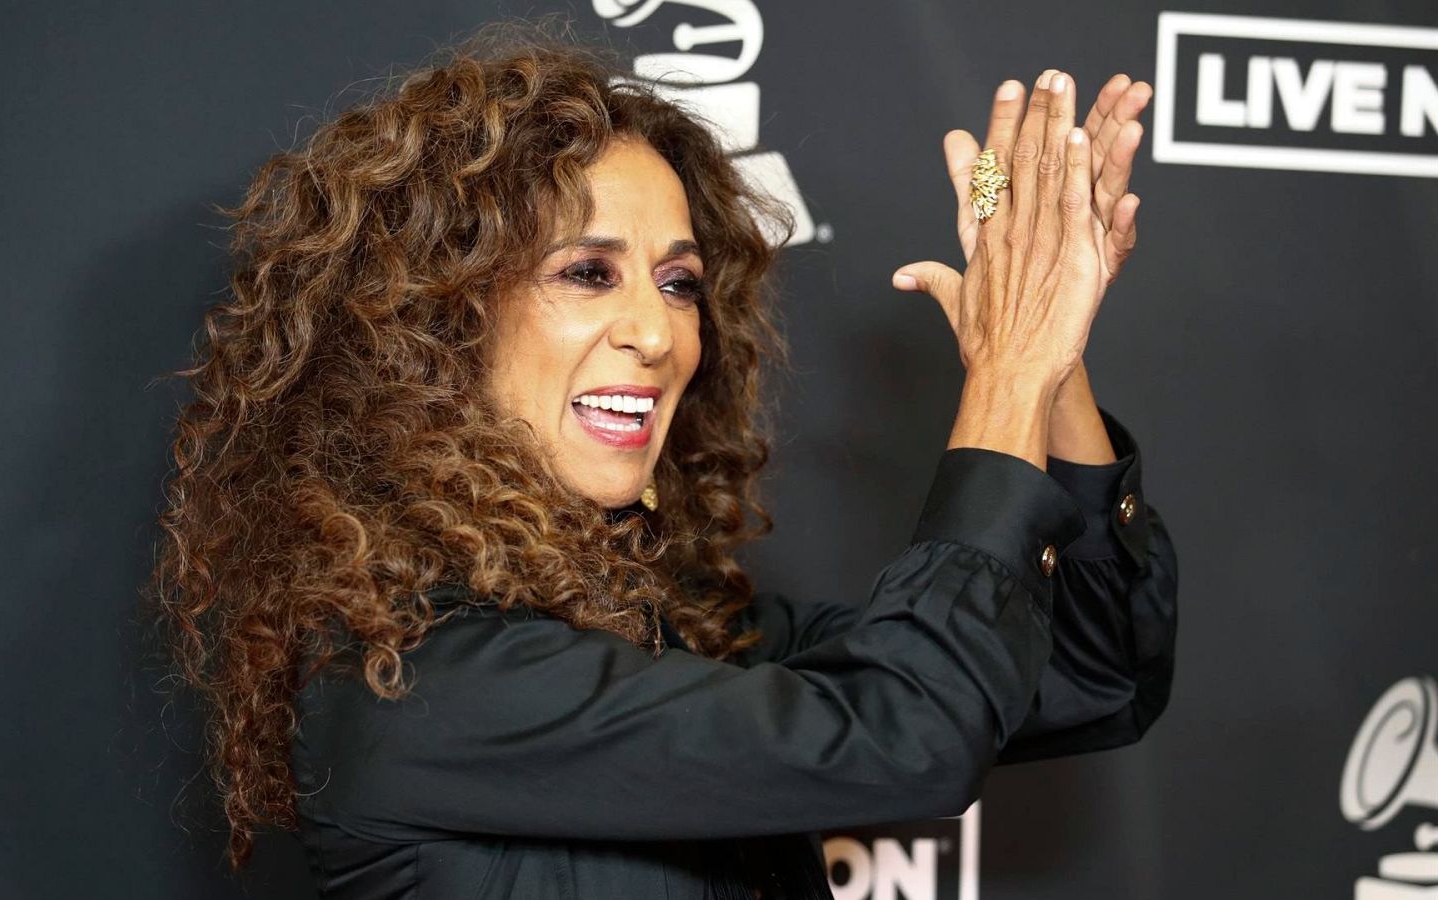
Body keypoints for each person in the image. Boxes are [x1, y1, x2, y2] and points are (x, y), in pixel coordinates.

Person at [147, 19, 1177, 900]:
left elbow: (1091, 675)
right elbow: (903, 738)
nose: (656, 332)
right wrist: (1005, 370)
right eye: (586, 273)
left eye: (679, 283)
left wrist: (1049, 345)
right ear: (436, 328)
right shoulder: (423, 681)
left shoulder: (678, 628)